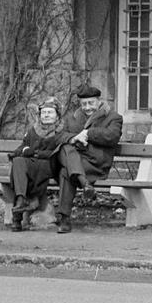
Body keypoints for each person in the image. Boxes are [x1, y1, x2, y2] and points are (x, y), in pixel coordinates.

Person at [53, 82, 124, 234]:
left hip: (95, 164)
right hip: (76, 161)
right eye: (83, 104)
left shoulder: (113, 117)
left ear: (99, 101)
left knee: (66, 172)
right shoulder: (72, 118)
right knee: (66, 150)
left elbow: (112, 136)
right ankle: (84, 184)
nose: (87, 107)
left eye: (91, 103)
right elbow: (59, 135)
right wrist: (74, 138)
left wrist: (88, 134)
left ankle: (64, 218)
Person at [6, 99, 71, 231]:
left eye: (50, 112)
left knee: (35, 165)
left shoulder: (63, 130)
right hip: (34, 164)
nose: (46, 115)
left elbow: (54, 153)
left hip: (52, 166)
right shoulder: (33, 130)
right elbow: (22, 148)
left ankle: (18, 216)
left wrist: (33, 152)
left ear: (57, 115)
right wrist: (24, 151)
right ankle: (20, 201)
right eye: (43, 113)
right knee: (18, 161)